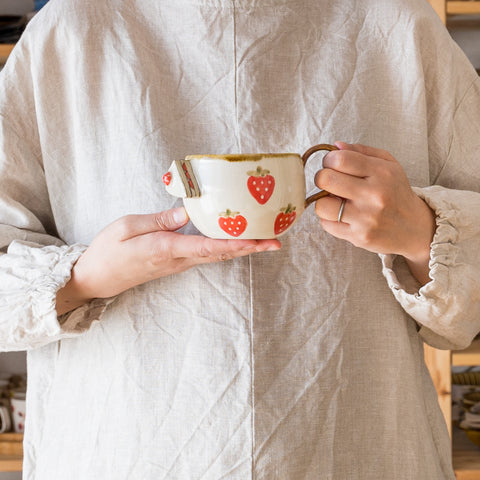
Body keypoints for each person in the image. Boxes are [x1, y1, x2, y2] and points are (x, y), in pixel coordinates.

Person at [0, 0, 479, 478]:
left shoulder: (400, 27)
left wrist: (422, 232)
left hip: (359, 449)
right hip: (124, 450)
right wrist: (84, 278)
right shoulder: (68, 31)